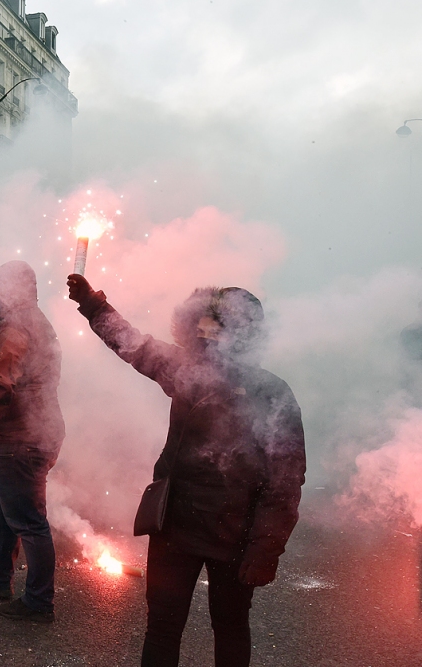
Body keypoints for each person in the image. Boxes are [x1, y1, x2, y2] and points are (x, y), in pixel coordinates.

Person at [67, 274, 306, 667]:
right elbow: (132, 344)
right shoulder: (187, 369)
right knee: (163, 627)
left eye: (213, 319)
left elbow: (285, 480)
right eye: (202, 318)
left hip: (235, 534)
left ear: (239, 329)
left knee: (229, 625)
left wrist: (266, 549)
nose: (201, 326)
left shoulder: (271, 392)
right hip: (176, 526)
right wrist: (93, 305)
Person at [0, 261, 65, 623]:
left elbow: (1, 384)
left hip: (22, 437)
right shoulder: (37, 320)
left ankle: (39, 602)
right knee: (4, 508)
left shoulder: (15, 329)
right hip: (34, 433)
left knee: (28, 521)